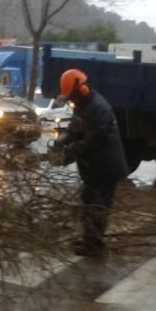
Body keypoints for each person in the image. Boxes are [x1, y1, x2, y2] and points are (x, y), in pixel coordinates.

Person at [55, 69, 128, 257]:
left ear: (82, 89)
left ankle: (94, 245)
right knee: (88, 202)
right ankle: (89, 239)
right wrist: (60, 142)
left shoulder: (98, 108)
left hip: (106, 167)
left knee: (98, 206)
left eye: (71, 96)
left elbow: (92, 140)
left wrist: (68, 154)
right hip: (93, 168)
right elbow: (74, 130)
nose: (71, 100)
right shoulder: (83, 106)